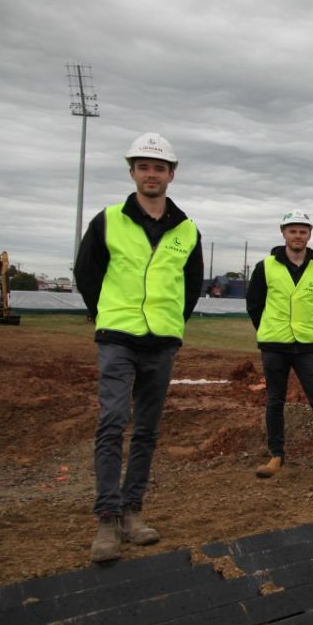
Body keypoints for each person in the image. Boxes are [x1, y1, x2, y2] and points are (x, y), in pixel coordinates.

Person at [74, 132, 203, 564]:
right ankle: (107, 518)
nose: (152, 174)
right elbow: (86, 272)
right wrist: (105, 312)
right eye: (144, 166)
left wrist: (172, 322)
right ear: (132, 171)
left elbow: (191, 285)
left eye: (160, 167)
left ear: (171, 175)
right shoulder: (108, 220)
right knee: (112, 421)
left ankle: (133, 512)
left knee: (147, 430)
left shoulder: (187, 229)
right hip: (117, 337)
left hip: (162, 341)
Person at [246, 210, 313, 478]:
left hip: (308, 347)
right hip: (274, 346)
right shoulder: (265, 267)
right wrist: (268, 329)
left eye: (302, 231)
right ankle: (276, 456)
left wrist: (310, 328)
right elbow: (254, 303)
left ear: (309, 235)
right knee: (275, 402)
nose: (297, 235)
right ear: (283, 233)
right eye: (292, 230)